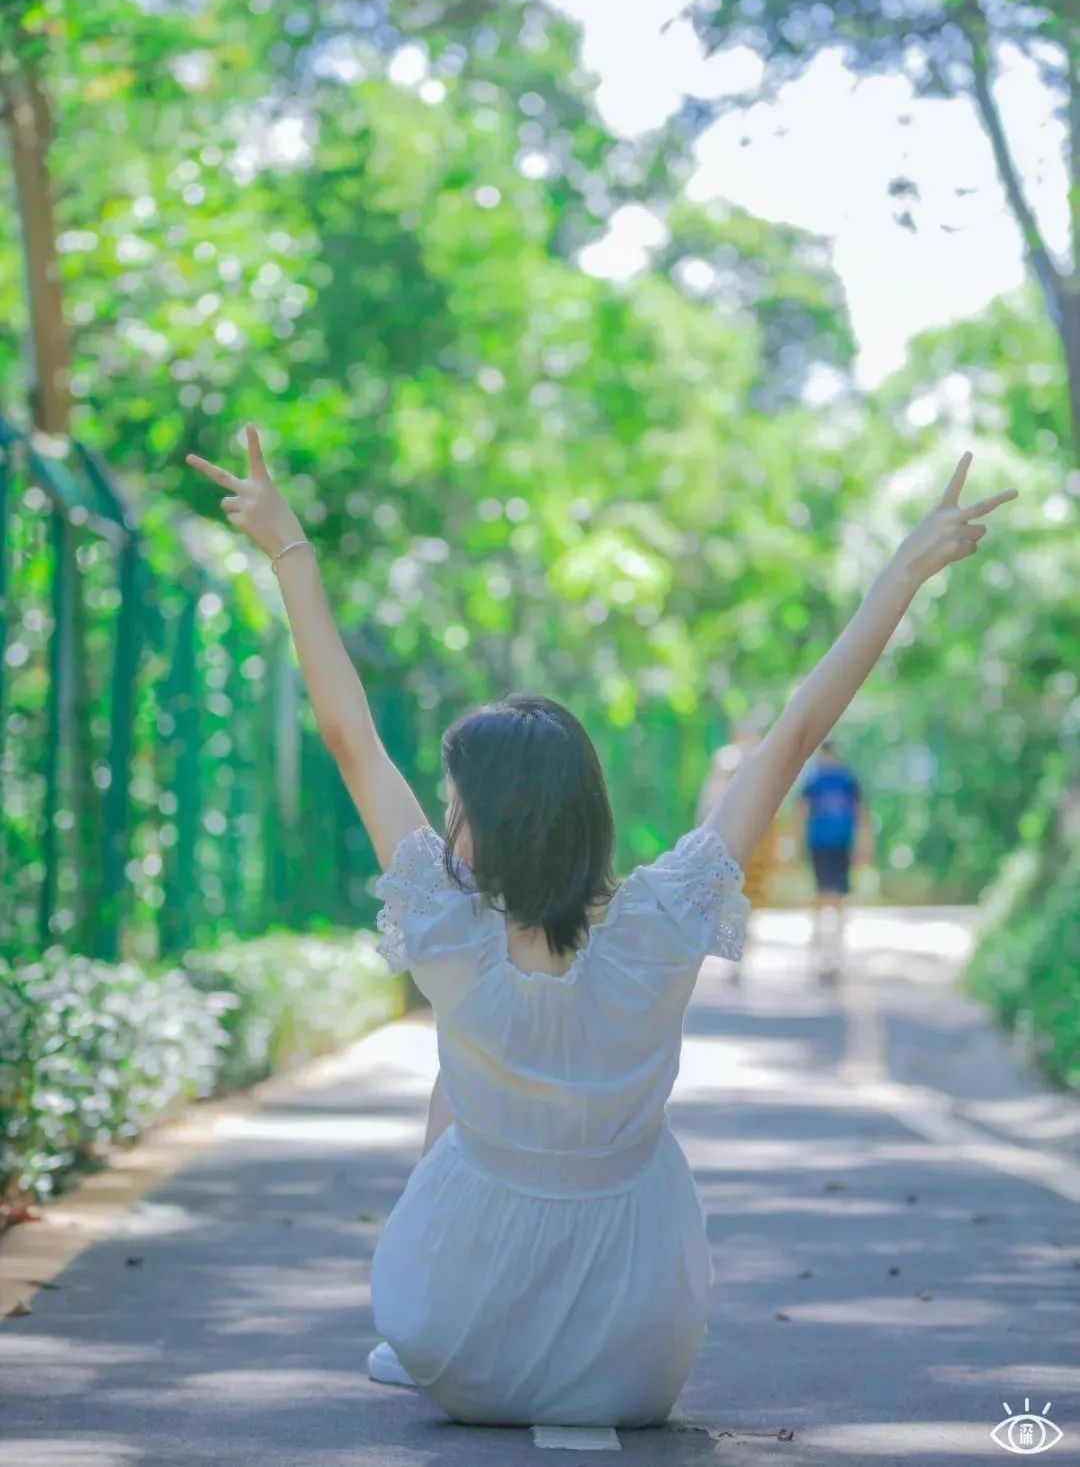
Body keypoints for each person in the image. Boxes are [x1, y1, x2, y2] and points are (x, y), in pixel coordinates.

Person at [187, 432, 1015, 1428]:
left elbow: (351, 740)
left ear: (480, 820)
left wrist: (291, 551)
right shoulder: (664, 921)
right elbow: (793, 734)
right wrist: (903, 572)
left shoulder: (449, 933)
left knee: (458, 1081)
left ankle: (445, 1315)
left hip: (448, 1346)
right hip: (635, 1366)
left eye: (453, 801)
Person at [696, 731, 779, 981]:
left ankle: (736, 954)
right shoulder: (733, 760)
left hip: (746, 840)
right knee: (737, 900)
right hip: (735, 839)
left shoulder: (748, 761)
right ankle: (734, 954)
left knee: (741, 899)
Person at [800, 740, 871, 983]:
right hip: (819, 842)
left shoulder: (847, 780)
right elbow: (803, 810)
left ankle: (835, 941)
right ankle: (820, 937)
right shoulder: (813, 779)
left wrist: (864, 845)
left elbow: (861, 812)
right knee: (821, 892)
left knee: (838, 893)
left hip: (841, 842)